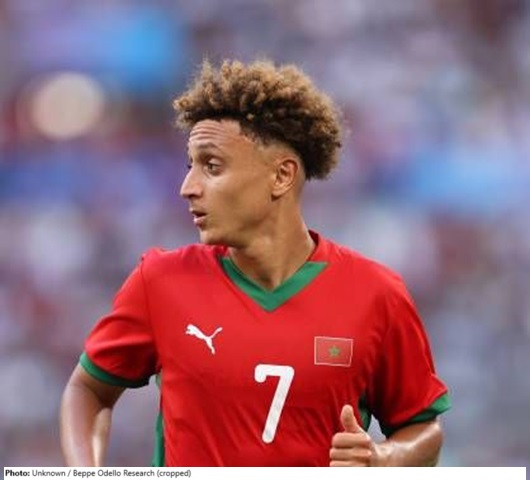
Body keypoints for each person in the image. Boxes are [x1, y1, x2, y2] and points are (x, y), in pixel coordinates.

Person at [60, 59, 451, 467]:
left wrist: (384, 457)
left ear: (281, 176)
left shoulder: (376, 294)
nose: (187, 187)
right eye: (190, 166)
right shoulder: (159, 281)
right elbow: (88, 390)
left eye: (211, 166)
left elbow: (423, 428)